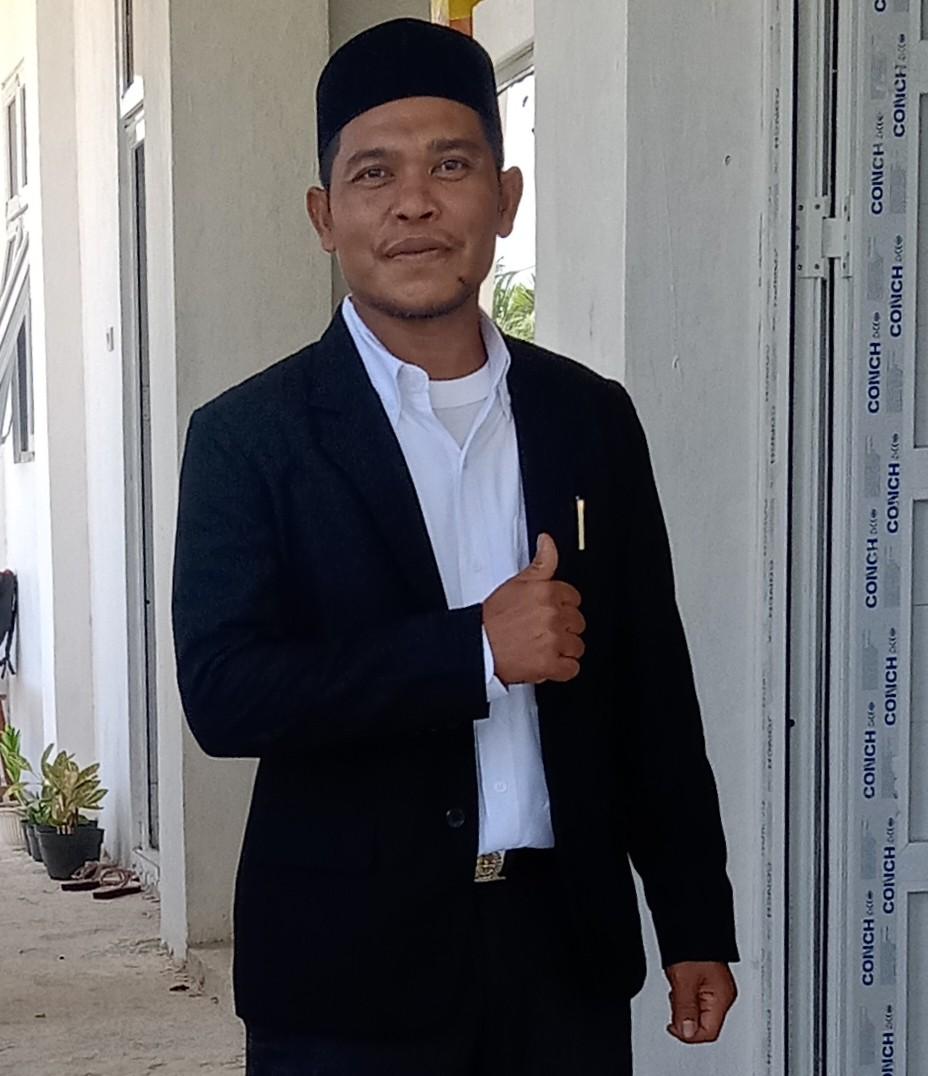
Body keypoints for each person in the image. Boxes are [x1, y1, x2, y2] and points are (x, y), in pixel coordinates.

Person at [171, 17, 740, 1076]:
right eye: (373, 173)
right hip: (347, 978)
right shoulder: (251, 437)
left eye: (450, 164)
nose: (414, 203)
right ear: (324, 216)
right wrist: (472, 649)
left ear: (505, 197)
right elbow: (223, 691)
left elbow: (653, 690)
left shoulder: (589, 417)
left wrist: (693, 916)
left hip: (562, 956)